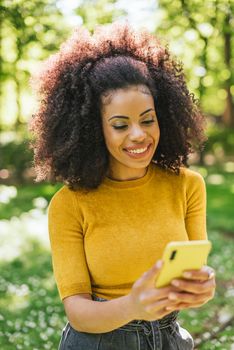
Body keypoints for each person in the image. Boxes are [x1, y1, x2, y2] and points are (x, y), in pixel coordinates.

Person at [29, 21, 216, 350]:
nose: (139, 135)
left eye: (148, 119)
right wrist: (133, 306)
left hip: (170, 339)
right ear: (92, 129)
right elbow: (78, 314)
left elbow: (188, 284)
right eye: (120, 125)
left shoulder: (188, 186)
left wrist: (202, 289)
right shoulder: (69, 205)